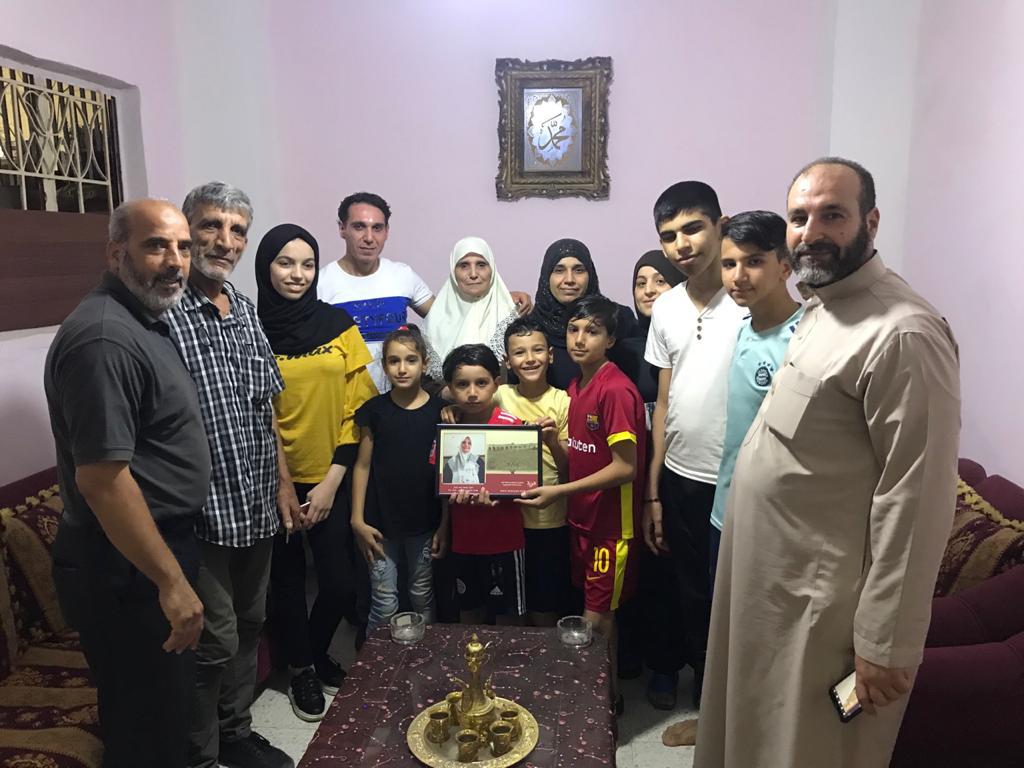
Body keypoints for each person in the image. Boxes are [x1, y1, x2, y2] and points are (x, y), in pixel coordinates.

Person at [694, 158, 961, 768]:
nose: (811, 232)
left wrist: (885, 642)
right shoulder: (820, 310)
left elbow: (916, 499)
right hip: (767, 589)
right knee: (750, 734)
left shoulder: (904, 334)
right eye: (799, 217)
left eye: (832, 215)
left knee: (803, 747)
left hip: (821, 611)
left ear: (871, 222)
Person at [44, 199, 209, 768]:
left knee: (163, 714)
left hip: (151, 550)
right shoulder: (105, 338)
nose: (176, 261)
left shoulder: (143, 320)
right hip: (127, 563)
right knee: (147, 730)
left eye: (183, 247)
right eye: (156, 245)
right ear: (116, 254)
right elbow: (103, 480)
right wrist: (170, 581)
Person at [165, 182, 296, 768]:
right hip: (199, 514)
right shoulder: (164, 314)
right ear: (187, 231)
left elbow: (266, 407)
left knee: (250, 622)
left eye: (237, 230)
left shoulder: (243, 309)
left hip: (256, 504)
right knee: (213, 639)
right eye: (211, 226)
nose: (225, 240)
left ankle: (236, 734)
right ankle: (201, 755)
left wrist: (284, 484)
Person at [661, 210, 803, 748]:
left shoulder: (805, 339)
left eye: (754, 263)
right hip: (726, 506)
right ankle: (719, 721)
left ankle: (754, 732)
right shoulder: (744, 328)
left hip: (774, 516)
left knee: (764, 631)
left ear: (785, 265)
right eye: (729, 265)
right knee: (726, 623)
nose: (739, 276)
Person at [255, 223, 377, 723]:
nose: (297, 274)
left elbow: (358, 407)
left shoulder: (338, 324)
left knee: (341, 584)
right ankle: (304, 668)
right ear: (265, 267)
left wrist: (330, 482)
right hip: (273, 478)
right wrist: (283, 483)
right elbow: (254, 411)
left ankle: (313, 647)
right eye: (285, 263)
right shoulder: (249, 330)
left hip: (332, 474)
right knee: (285, 583)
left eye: (307, 264)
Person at [641, 181, 748, 711]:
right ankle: (704, 698)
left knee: (737, 597)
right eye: (668, 236)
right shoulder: (665, 308)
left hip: (742, 481)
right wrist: (653, 491)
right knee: (690, 590)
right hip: (681, 476)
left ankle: (727, 708)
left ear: (720, 225)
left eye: (692, 229)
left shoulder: (751, 300)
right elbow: (663, 402)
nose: (681, 245)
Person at [518, 294, 646, 712]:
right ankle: (601, 695)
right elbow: (577, 460)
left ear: (610, 339)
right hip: (582, 519)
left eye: (592, 331)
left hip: (611, 526)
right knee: (594, 613)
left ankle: (600, 704)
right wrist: (553, 442)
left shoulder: (616, 390)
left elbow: (625, 467)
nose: (579, 339)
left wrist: (559, 492)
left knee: (597, 618)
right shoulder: (575, 386)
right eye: (573, 330)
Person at [318, 194, 532, 391]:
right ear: (342, 229)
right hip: (345, 396)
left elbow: (448, 313)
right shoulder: (321, 284)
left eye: (377, 228)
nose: (368, 237)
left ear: (387, 231)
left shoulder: (402, 275)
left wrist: (499, 296)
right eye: (359, 227)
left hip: (397, 396)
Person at [615, 250, 685, 681]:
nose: (649, 290)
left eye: (660, 280)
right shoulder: (621, 346)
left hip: (670, 465)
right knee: (627, 562)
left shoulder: (688, 339)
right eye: (641, 282)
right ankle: (629, 653)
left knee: (663, 562)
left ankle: (664, 665)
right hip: (624, 466)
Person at [351, 325, 447, 631]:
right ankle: (376, 661)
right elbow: (362, 466)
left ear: (425, 364)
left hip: (425, 521)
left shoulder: (441, 413)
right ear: (384, 365)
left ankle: (426, 656)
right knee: (384, 601)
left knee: (421, 595)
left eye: (410, 360)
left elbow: (449, 475)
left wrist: (445, 524)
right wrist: (356, 519)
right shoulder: (374, 411)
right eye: (394, 361)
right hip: (379, 523)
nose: (402, 368)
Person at [439, 344, 526, 624]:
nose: (473, 392)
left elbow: (524, 484)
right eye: (462, 384)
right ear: (450, 388)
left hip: (505, 540)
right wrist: (443, 527)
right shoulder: (449, 431)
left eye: (481, 383)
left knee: (509, 619)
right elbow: (442, 485)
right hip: (464, 541)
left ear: (496, 384)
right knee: (469, 614)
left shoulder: (513, 427)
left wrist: (503, 495)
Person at [495, 317, 570, 626]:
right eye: (519, 352)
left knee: (544, 602)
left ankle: (544, 656)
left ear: (550, 355)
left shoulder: (563, 401)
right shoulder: (500, 396)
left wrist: (552, 440)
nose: (529, 359)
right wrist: (452, 410)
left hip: (548, 518)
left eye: (537, 350)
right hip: (505, 516)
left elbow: (568, 469)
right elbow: (468, 405)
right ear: (507, 361)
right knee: (509, 606)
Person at [529, 238, 637, 388]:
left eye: (578, 270)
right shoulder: (531, 327)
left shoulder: (618, 318)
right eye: (559, 270)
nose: (569, 279)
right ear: (547, 277)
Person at [424, 236, 518, 382]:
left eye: (481, 265)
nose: (473, 274)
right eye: (464, 266)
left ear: (492, 269)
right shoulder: (435, 319)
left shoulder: (513, 316)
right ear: (453, 271)